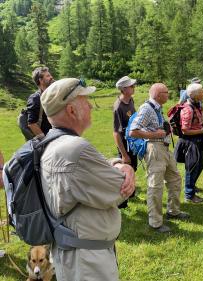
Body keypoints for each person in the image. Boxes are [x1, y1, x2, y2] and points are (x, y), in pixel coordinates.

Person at [39, 78, 136, 281]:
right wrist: (125, 169)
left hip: (74, 251)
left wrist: (118, 163)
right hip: (87, 261)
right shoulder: (75, 149)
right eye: (85, 100)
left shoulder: (54, 143)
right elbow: (121, 188)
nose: (91, 105)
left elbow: (88, 172)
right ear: (72, 110)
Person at [129, 83, 189, 233]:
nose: (168, 94)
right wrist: (156, 135)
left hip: (164, 148)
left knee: (175, 179)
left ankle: (173, 211)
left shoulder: (157, 108)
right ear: (157, 94)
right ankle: (155, 222)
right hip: (155, 148)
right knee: (155, 185)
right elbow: (133, 131)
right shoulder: (147, 108)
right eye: (166, 92)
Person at [175, 83, 203, 203]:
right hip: (190, 142)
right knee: (192, 167)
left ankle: (192, 185)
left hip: (197, 139)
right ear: (195, 95)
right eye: (202, 91)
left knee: (200, 164)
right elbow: (185, 130)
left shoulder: (197, 105)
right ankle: (189, 194)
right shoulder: (188, 109)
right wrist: (200, 131)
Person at [113, 76, 137, 209]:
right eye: (131, 86)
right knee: (123, 173)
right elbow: (116, 133)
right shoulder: (118, 107)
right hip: (124, 146)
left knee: (133, 168)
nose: (134, 87)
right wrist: (124, 154)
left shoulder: (131, 100)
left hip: (132, 143)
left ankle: (130, 193)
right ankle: (122, 202)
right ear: (123, 89)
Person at [25, 66, 55, 139]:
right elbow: (32, 123)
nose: (51, 77)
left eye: (50, 75)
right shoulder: (35, 98)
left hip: (56, 137)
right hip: (46, 141)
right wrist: (44, 141)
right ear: (41, 80)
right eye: (48, 76)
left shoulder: (52, 95)